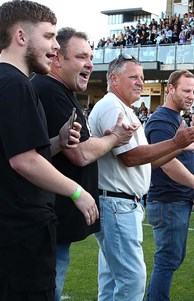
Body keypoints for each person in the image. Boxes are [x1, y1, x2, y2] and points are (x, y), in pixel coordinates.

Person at [0, 1, 98, 299]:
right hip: (22, 235)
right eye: (48, 36)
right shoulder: (15, 84)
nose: (55, 47)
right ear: (21, 36)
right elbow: (23, 161)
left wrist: (57, 141)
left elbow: (16, 152)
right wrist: (77, 192)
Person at [32, 27, 137, 301]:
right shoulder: (48, 89)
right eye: (81, 56)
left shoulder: (60, 90)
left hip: (56, 218)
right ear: (57, 59)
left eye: (91, 56)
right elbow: (79, 153)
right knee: (46, 289)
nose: (90, 63)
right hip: (49, 215)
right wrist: (116, 137)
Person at [89, 55, 194, 301]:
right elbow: (130, 157)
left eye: (142, 77)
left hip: (121, 203)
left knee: (113, 280)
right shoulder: (112, 106)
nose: (140, 82)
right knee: (131, 280)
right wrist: (177, 142)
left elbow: (147, 162)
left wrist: (181, 147)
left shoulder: (123, 108)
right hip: (117, 203)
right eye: (133, 77)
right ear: (113, 78)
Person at [144, 70, 194, 301]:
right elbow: (166, 163)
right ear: (170, 89)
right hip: (168, 199)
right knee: (168, 259)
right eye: (186, 90)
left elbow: (181, 154)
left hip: (175, 200)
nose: (192, 95)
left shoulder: (176, 118)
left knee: (172, 257)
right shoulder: (162, 120)